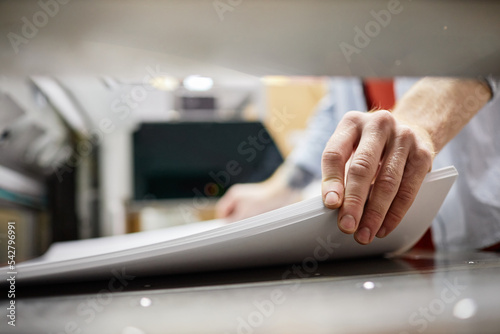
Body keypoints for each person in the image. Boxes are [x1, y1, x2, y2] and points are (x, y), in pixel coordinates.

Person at [216, 77, 499, 251]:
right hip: (397, 243)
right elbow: (337, 104)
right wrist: (281, 188)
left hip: (483, 231)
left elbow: (485, 49)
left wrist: (417, 124)